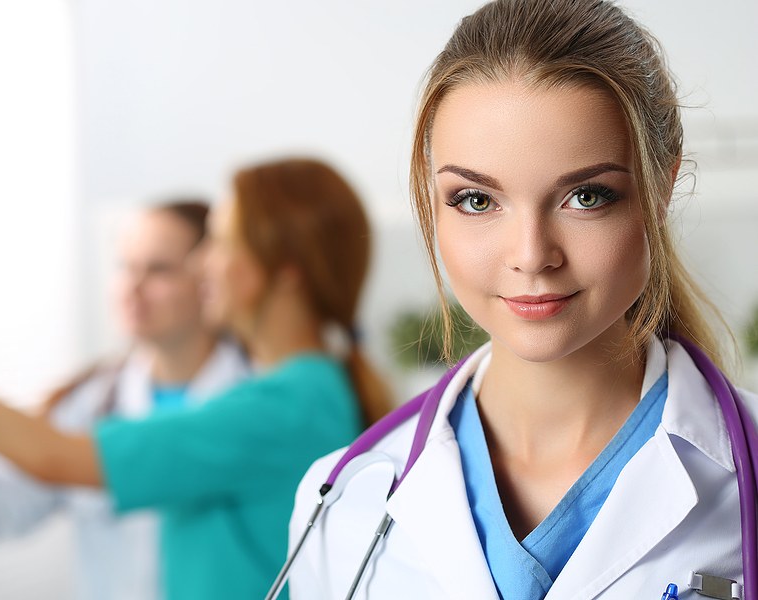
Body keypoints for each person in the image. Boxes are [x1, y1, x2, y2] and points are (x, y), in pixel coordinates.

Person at [287, 1, 758, 598]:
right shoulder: (341, 500)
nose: (531, 255)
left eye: (587, 196)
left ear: (661, 187)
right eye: (477, 201)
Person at [0, 157, 390, 600]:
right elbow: (6, 492)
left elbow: (53, 455)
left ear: (285, 271)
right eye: (125, 265)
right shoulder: (298, 392)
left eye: (222, 243)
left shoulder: (281, 406)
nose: (203, 264)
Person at [0, 201, 250, 600]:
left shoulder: (254, 399)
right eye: (125, 266)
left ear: (209, 275)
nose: (133, 287)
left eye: (159, 270)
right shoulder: (89, 403)